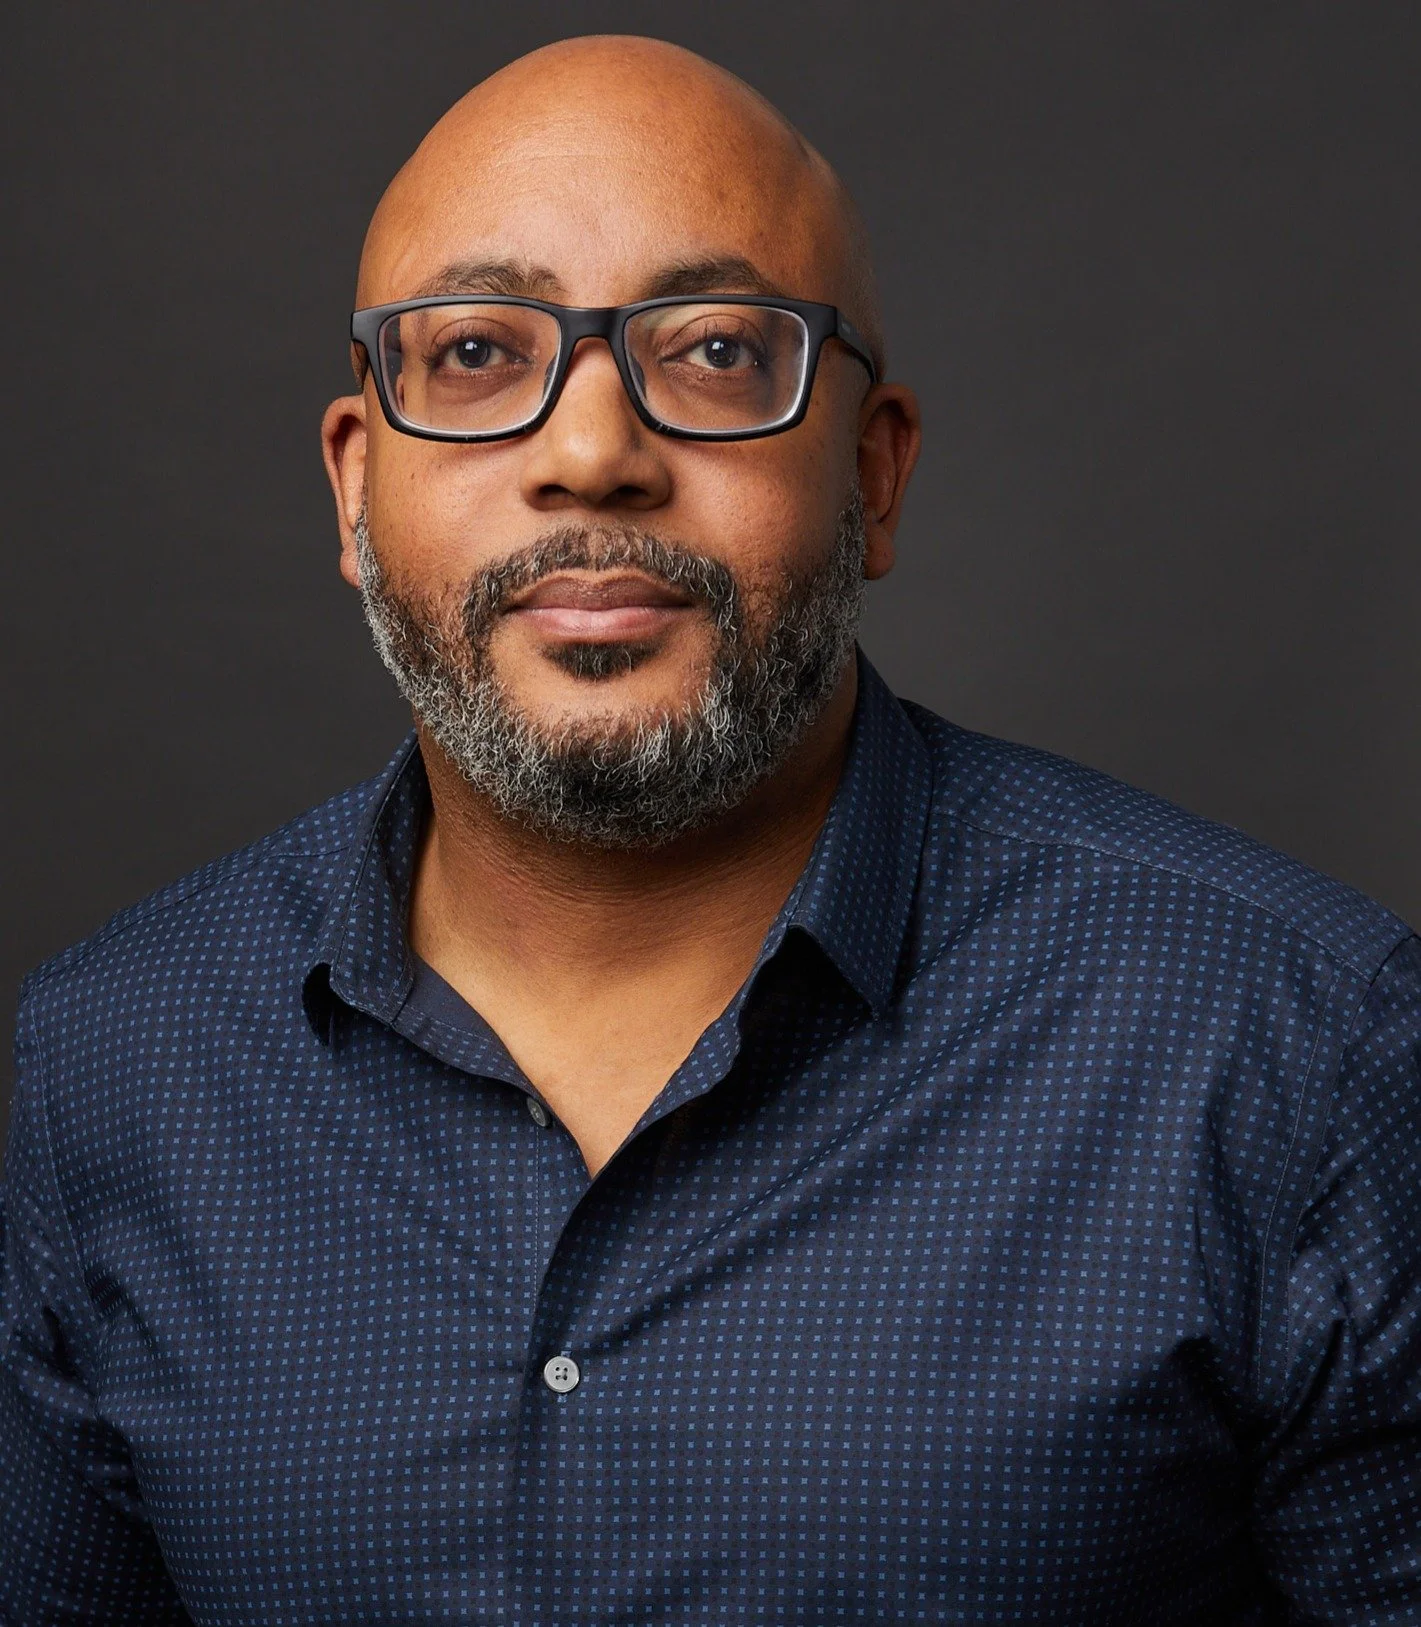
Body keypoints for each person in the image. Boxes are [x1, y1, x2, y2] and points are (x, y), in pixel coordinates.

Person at [2, 33, 1417, 1625]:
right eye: (475, 352)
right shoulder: (107, 1073)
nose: (594, 454)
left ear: (874, 481)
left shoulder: (1302, 1053)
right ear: (352, 491)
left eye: (718, 352)